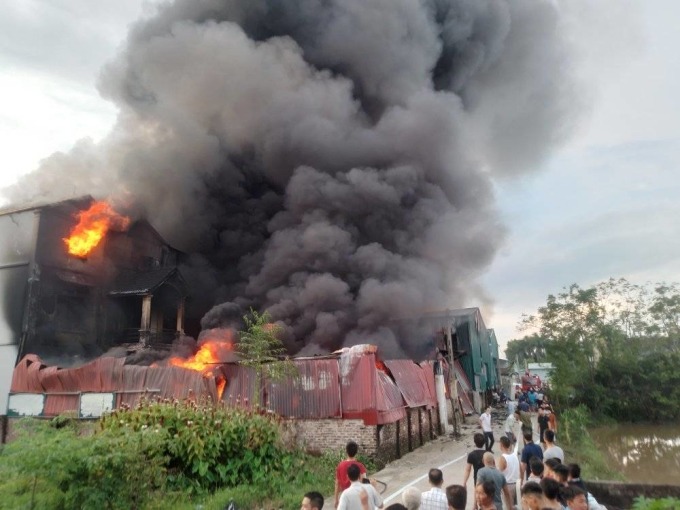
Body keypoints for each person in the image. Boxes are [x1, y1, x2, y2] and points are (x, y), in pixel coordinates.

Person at [335, 441, 368, 507]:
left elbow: (337, 484)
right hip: (358, 497)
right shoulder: (360, 466)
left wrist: (336, 500)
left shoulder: (340, 465)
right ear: (356, 452)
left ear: (346, 451)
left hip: (344, 497)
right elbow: (365, 482)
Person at [497, 436, 520, 506]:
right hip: (517, 484)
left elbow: (499, 474)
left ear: (501, 445)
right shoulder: (515, 455)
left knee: (508, 506)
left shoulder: (503, 458)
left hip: (508, 485)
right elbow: (521, 470)